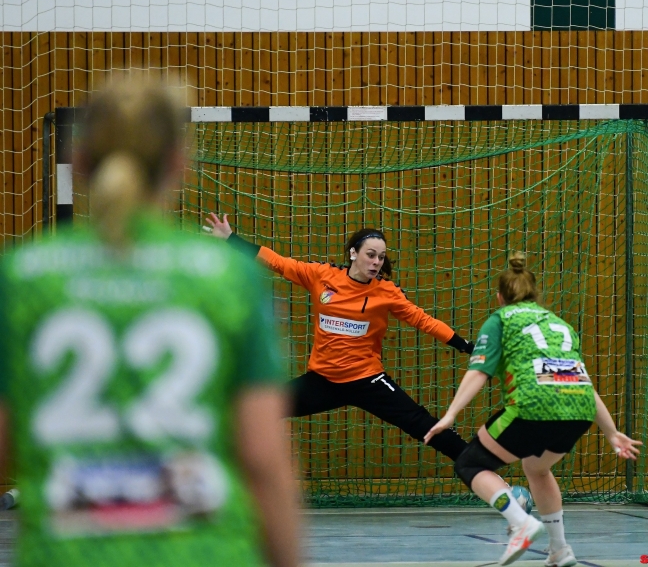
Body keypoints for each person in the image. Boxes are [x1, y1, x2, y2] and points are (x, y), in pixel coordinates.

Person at [0, 79, 300, 567]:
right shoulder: (229, 277)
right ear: (180, 163)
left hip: (66, 555)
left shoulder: (22, 277)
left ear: (78, 159)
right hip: (207, 553)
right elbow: (264, 460)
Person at [425, 251, 641, 567]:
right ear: (536, 294)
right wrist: (611, 432)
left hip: (534, 407)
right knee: (537, 468)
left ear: (500, 296)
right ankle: (560, 549)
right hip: (579, 410)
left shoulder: (499, 320)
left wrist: (450, 414)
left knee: (469, 465)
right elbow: (583, 383)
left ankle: (520, 521)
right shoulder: (562, 325)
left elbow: (479, 371)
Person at [205, 214, 474, 462]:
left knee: (421, 424)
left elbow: (422, 320)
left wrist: (464, 345)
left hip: (368, 380)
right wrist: (231, 238)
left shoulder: (386, 292)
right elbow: (278, 263)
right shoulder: (322, 275)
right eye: (370, 255)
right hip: (323, 381)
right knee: (263, 409)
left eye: (381, 257)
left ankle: (475, 465)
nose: (376, 262)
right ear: (354, 253)